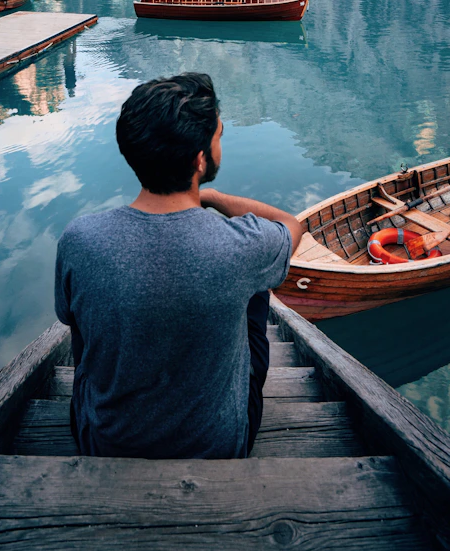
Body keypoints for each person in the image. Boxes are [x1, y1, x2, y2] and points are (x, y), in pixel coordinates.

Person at [54, 71, 304, 459]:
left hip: (102, 440)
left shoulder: (79, 239)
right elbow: (292, 226)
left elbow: (73, 325)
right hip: (218, 445)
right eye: (219, 136)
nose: (221, 143)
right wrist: (213, 197)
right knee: (256, 287)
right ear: (200, 159)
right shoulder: (238, 246)